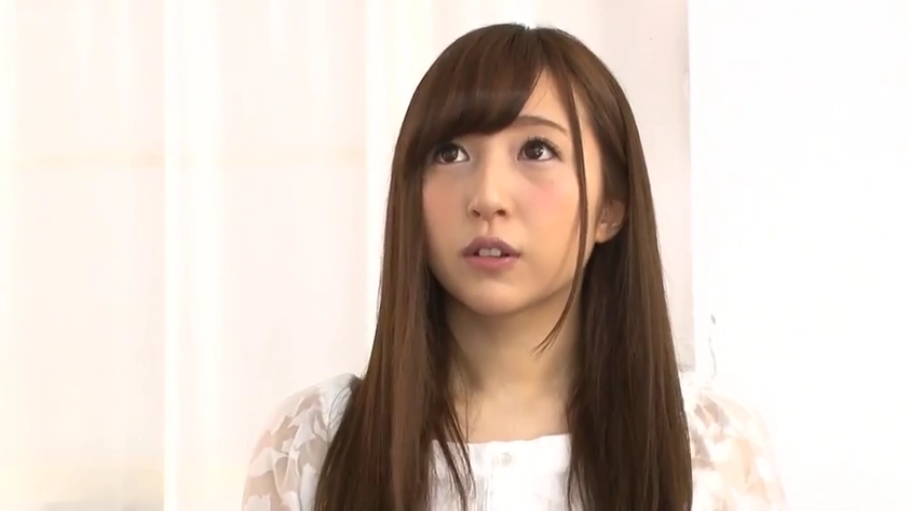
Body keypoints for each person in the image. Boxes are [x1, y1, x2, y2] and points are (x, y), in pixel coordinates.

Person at [242, 23, 787, 511]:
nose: (487, 197)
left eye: (536, 150)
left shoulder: (708, 448)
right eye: (450, 154)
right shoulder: (313, 445)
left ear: (611, 206)